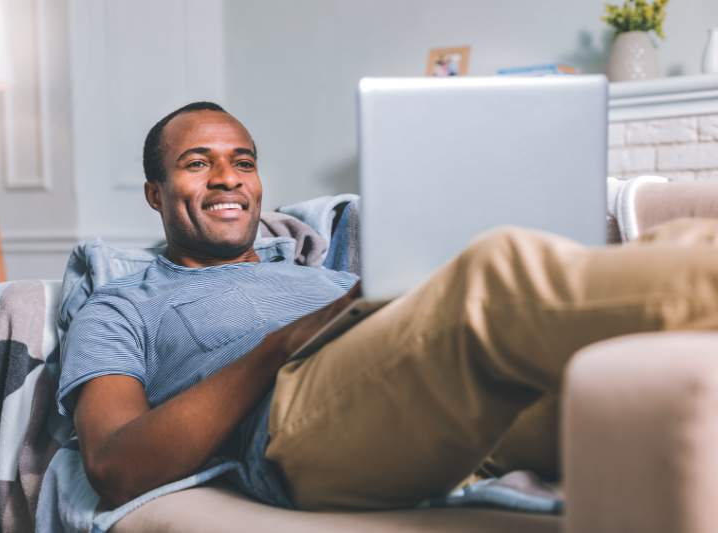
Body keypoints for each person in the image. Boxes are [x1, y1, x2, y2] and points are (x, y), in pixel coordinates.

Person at [58, 101, 718, 511]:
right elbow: (114, 465)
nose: (227, 177)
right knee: (494, 272)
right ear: (154, 192)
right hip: (289, 421)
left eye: (243, 161)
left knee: (645, 364)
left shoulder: (318, 268)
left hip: (420, 381)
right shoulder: (120, 303)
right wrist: (279, 346)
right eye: (198, 163)